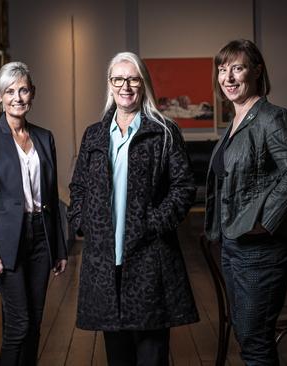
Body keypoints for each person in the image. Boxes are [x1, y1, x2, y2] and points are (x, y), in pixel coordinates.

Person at [68, 51, 198, 366]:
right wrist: (84, 223)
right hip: (105, 261)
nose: (125, 86)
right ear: (110, 85)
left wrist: (153, 223)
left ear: (143, 84)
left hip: (150, 258)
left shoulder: (164, 131)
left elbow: (184, 187)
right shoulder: (94, 135)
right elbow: (79, 187)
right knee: (118, 357)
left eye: (133, 79)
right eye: (118, 79)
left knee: (152, 354)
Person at [205, 39, 287, 365]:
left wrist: (263, 221)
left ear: (257, 71)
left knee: (255, 341)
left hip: (263, 250)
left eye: (237, 68)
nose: (228, 77)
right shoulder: (235, 123)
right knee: (246, 334)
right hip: (234, 245)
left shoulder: (271, 118)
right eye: (223, 70)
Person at [0, 61, 68, 366]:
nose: (17, 97)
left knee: (36, 321)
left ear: (32, 93)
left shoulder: (44, 137)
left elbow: (51, 197)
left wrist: (60, 247)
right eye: (10, 91)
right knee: (18, 324)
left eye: (23, 89)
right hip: (7, 241)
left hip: (41, 236)